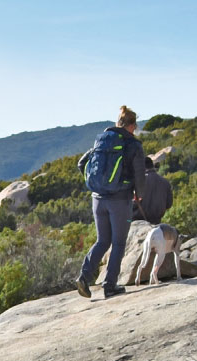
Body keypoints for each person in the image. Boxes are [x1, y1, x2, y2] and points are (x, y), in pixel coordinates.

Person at [74, 105, 147, 300]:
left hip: (98, 199)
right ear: (131, 125)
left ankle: (84, 277)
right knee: (118, 243)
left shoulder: (102, 141)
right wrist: (139, 195)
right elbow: (140, 174)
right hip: (119, 200)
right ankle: (110, 285)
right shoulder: (133, 145)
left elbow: (82, 163)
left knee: (102, 240)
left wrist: (96, 183)